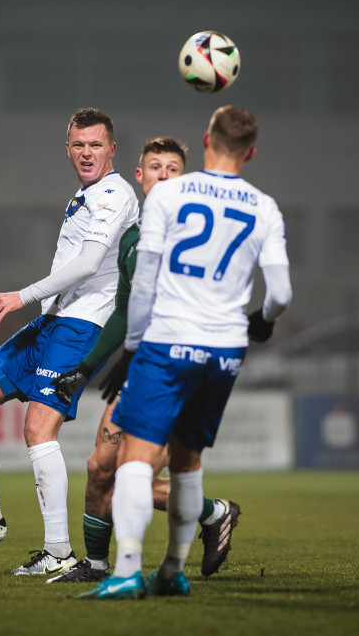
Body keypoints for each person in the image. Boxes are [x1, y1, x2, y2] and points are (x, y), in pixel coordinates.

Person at [79, 106, 293, 599]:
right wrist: (263, 321)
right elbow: (280, 294)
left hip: (169, 341)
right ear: (252, 152)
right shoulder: (265, 206)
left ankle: (127, 571)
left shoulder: (170, 195)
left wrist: (133, 348)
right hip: (225, 352)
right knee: (187, 460)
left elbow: (148, 279)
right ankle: (172, 571)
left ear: (206, 141)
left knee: (134, 460)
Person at [0, 108, 140, 578]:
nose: (87, 153)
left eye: (96, 145)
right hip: (54, 320)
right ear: (67, 149)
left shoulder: (115, 194)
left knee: (37, 431)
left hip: (80, 326)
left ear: (112, 150)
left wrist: (20, 295)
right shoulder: (86, 193)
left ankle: (59, 551)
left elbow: (88, 264)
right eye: (78, 145)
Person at [49, 137, 242, 584]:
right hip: (140, 368)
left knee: (127, 477)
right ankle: (98, 565)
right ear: (140, 176)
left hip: (180, 370)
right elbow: (122, 310)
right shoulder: (133, 239)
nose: (163, 176)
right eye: (155, 167)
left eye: (173, 169)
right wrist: (85, 367)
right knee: (101, 468)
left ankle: (208, 517)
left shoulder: (198, 236)